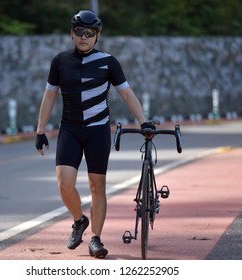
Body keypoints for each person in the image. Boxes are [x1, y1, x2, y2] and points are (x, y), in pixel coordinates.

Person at [35, 10, 154, 259]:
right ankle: (79, 220)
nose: (84, 37)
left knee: (96, 186)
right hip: (70, 128)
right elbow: (49, 95)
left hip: (98, 130)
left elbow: (126, 93)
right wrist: (40, 130)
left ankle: (96, 240)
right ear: (71, 33)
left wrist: (144, 122)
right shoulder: (60, 61)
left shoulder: (109, 62)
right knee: (64, 184)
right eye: (79, 32)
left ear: (97, 37)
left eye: (90, 33)